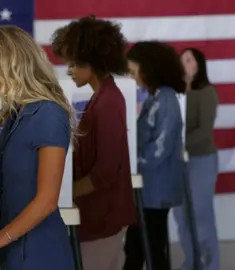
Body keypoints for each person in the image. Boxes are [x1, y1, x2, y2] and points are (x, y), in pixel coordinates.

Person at [0, 25, 75, 270]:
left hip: (41, 254)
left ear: (11, 68)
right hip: (13, 249)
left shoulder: (49, 113)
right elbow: (6, 191)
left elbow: (46, 201)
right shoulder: (15, 115)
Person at [51, 15, 137, 270]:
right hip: (100, 214)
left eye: (74, 64)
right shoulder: (103, 97)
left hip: (105, 215)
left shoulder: (108, 103)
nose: (68, 70)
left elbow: (105, 173)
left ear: (93, 62)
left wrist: (57, 196)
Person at [124, 41, 186, 270]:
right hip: (149, 187)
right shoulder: (155, 97)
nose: (132, 77)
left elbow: (161, 147)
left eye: (133, 71)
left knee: (150, 247)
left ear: (149, 68)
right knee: (138, 245)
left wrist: (131, 164)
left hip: (156, 188)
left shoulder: (166, 100)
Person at [173, 47, 220, 270]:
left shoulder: (206, 92)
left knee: (201, 215)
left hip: (201, 160)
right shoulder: (176, 92)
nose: (184, 64)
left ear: (198, 65)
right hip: (178, 162)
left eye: (189, 60)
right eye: (182, 60)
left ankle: (209, 265)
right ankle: (191, 262)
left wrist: (179, 145)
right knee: (182, 217)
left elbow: (204, 130)